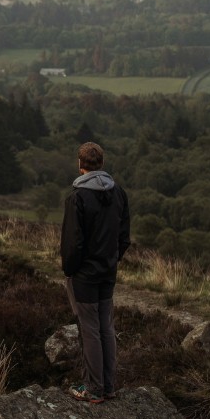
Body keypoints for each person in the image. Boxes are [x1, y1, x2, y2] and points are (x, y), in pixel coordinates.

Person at [61, 142, 131, 404]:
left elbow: (72, 242)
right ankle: (109, 386)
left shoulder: (76, 197)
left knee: (89, 329)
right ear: (101, 164)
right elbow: (124, 237)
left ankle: (93, 388)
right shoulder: (119, 193)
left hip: (84, 275)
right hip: (108, 271)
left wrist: (71, 270)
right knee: (106, 327)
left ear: (81, 166)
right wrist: (113, 259)